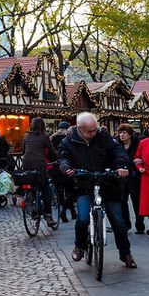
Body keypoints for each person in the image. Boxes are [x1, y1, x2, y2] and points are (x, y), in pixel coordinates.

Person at [58, 112, 136, 269]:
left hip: (108, 182)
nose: (93, 133)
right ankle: (79, 246)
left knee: (118, 222)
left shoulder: (104, 137)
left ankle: (125, 254)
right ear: (80, 128)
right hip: (84, 184)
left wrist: (122, 167)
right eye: (89, 131)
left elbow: (118, 152)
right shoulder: (69, 141)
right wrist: (66, 167)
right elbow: (63, 157)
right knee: (82, 219)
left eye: (95, 130)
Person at [22, 117, 59, 229]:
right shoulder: (44, 137)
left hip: (26, 164)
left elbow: (24, 151)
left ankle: (33, 207)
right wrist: (58, 158)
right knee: (45, 190)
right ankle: (48, 217)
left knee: (32, 187)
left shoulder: (27, 136)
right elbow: (52, 151)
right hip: (39, 165)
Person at [115, 123, 145, 234]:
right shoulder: (117, 144)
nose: (122, 135)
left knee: (136, 201)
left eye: (124, 133)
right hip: (122, 176)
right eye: (120, 133)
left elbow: (143, 156)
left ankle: (140, 225)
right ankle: (126, 224)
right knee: (122, 201)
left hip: (134, 175)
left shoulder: (138, 143)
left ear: (130, 134)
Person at [52, 120, 76, 221]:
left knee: (61, 190)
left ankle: (72, 212)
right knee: (70, 190)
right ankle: (64, 210)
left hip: (56, 167)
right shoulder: (68, 138)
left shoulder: (52, 138)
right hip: (67, 166)